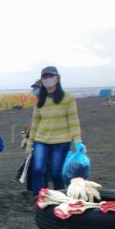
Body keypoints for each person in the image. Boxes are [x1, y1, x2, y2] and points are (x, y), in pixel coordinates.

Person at [27, 66, 82, 195]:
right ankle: (40, 196)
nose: (47, 80)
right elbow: (35, 124)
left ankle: (61, 194)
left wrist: (77, 140)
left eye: (50, 76)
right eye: (44, 77)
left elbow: (73, 122)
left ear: (57, 78)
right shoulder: (40, 100)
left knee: (56, 172)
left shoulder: (68, 99)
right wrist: (30, 143)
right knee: (38, 169)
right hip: (41, 140)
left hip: (61, 141)